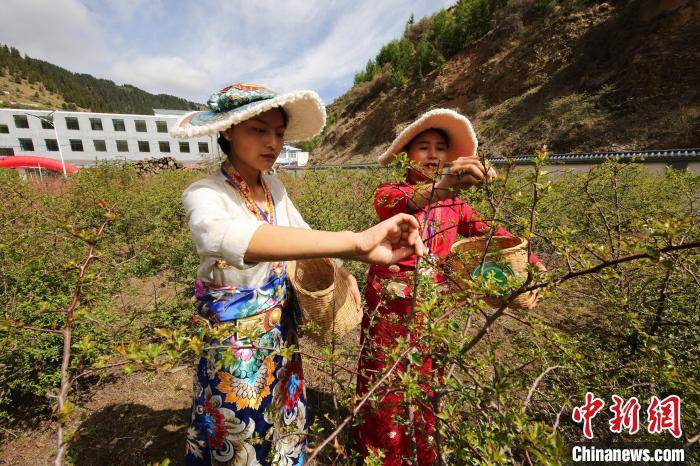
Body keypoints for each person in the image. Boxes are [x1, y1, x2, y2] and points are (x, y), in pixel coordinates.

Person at [172, 83, 424, 465]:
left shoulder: (273, 187)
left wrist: (344, 270)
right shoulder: (205, 192)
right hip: (235, 339)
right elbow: (226, 238)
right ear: (227, 130)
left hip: (280, 329)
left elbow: (301, 235)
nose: (272, 142)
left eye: (278, 133)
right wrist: (354, 242)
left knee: (283, 416)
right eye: (259, 130)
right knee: (239, 423)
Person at [354, 109, 546, 465]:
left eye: (439, 148)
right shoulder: (390, 193)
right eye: (422, 147)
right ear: (406, 156)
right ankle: (381, 453)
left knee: (426, 375)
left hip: (433, 305)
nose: (432, 154)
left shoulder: (457, 205)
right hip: (389, 307)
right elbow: (403, 204)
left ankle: (422, 449)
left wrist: (532, 262)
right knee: (384, 375)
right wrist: (442, 187)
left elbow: (494, 235)